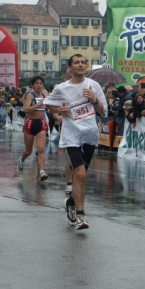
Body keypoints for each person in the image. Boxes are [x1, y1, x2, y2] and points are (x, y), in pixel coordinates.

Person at [44, 54, 107, 230]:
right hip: (72, 136)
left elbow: (103, 111)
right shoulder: (62, 88)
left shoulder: (94, 86)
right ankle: (80, 215)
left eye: (83, 62)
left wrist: (94, 100)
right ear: (70, 67)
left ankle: (71, 202)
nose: (81, 65)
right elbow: (48, 105)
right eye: (77, 62)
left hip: (90, 136)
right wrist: (60, 110)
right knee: (79, 174)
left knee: (82, 176)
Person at [17, 76, 49, 181]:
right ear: (33, 85)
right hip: (31, 122)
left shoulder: (45, 93)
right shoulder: (31, 95)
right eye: (36, 83)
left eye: (40, 83)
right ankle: (21, 160)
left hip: (41, 122)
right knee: (28, 151)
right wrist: (38, 104)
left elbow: (50, 105)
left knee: (40, 148)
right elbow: (26, 109)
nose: (39, 85)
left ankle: (42, 172)